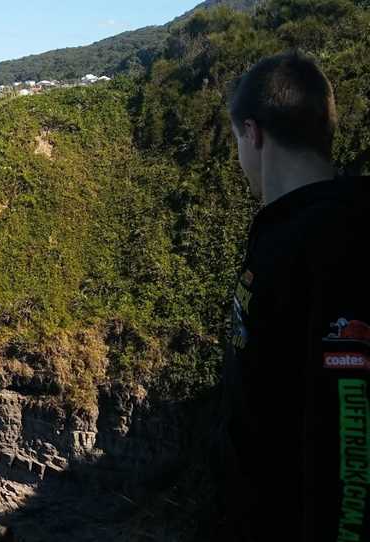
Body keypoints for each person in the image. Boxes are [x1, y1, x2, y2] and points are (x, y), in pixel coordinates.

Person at [222, 51, 369, 540]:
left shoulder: (331, 247)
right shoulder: (292, 231)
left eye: (237, 142)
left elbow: (349, 426)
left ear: (254, 133)